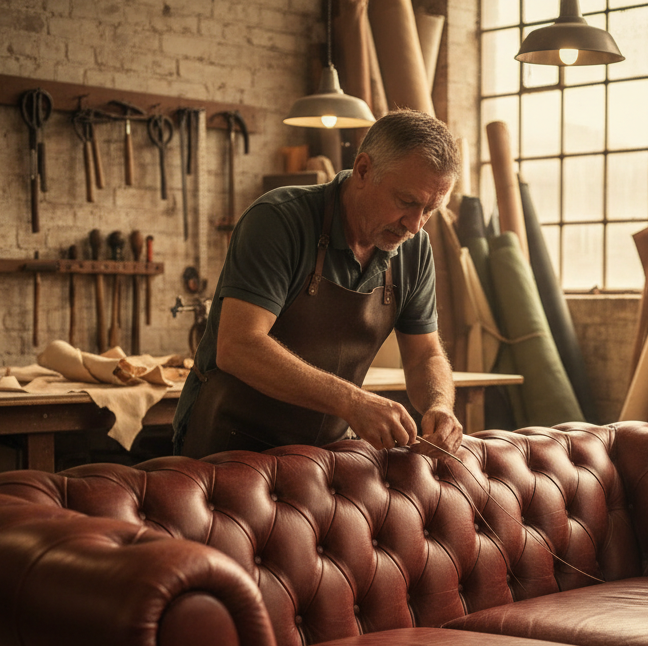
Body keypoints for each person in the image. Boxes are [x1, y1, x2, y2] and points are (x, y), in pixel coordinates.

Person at [173, 109, 463, 458]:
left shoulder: (414, 248)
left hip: (321, 456)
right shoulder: (279, 221)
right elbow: (239, 345)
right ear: (363, 170)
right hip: (229, 447)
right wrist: (352, 402)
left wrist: (440, 405)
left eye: (430, 209)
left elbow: (425, 355)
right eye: (407, 202)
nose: (415, 224)